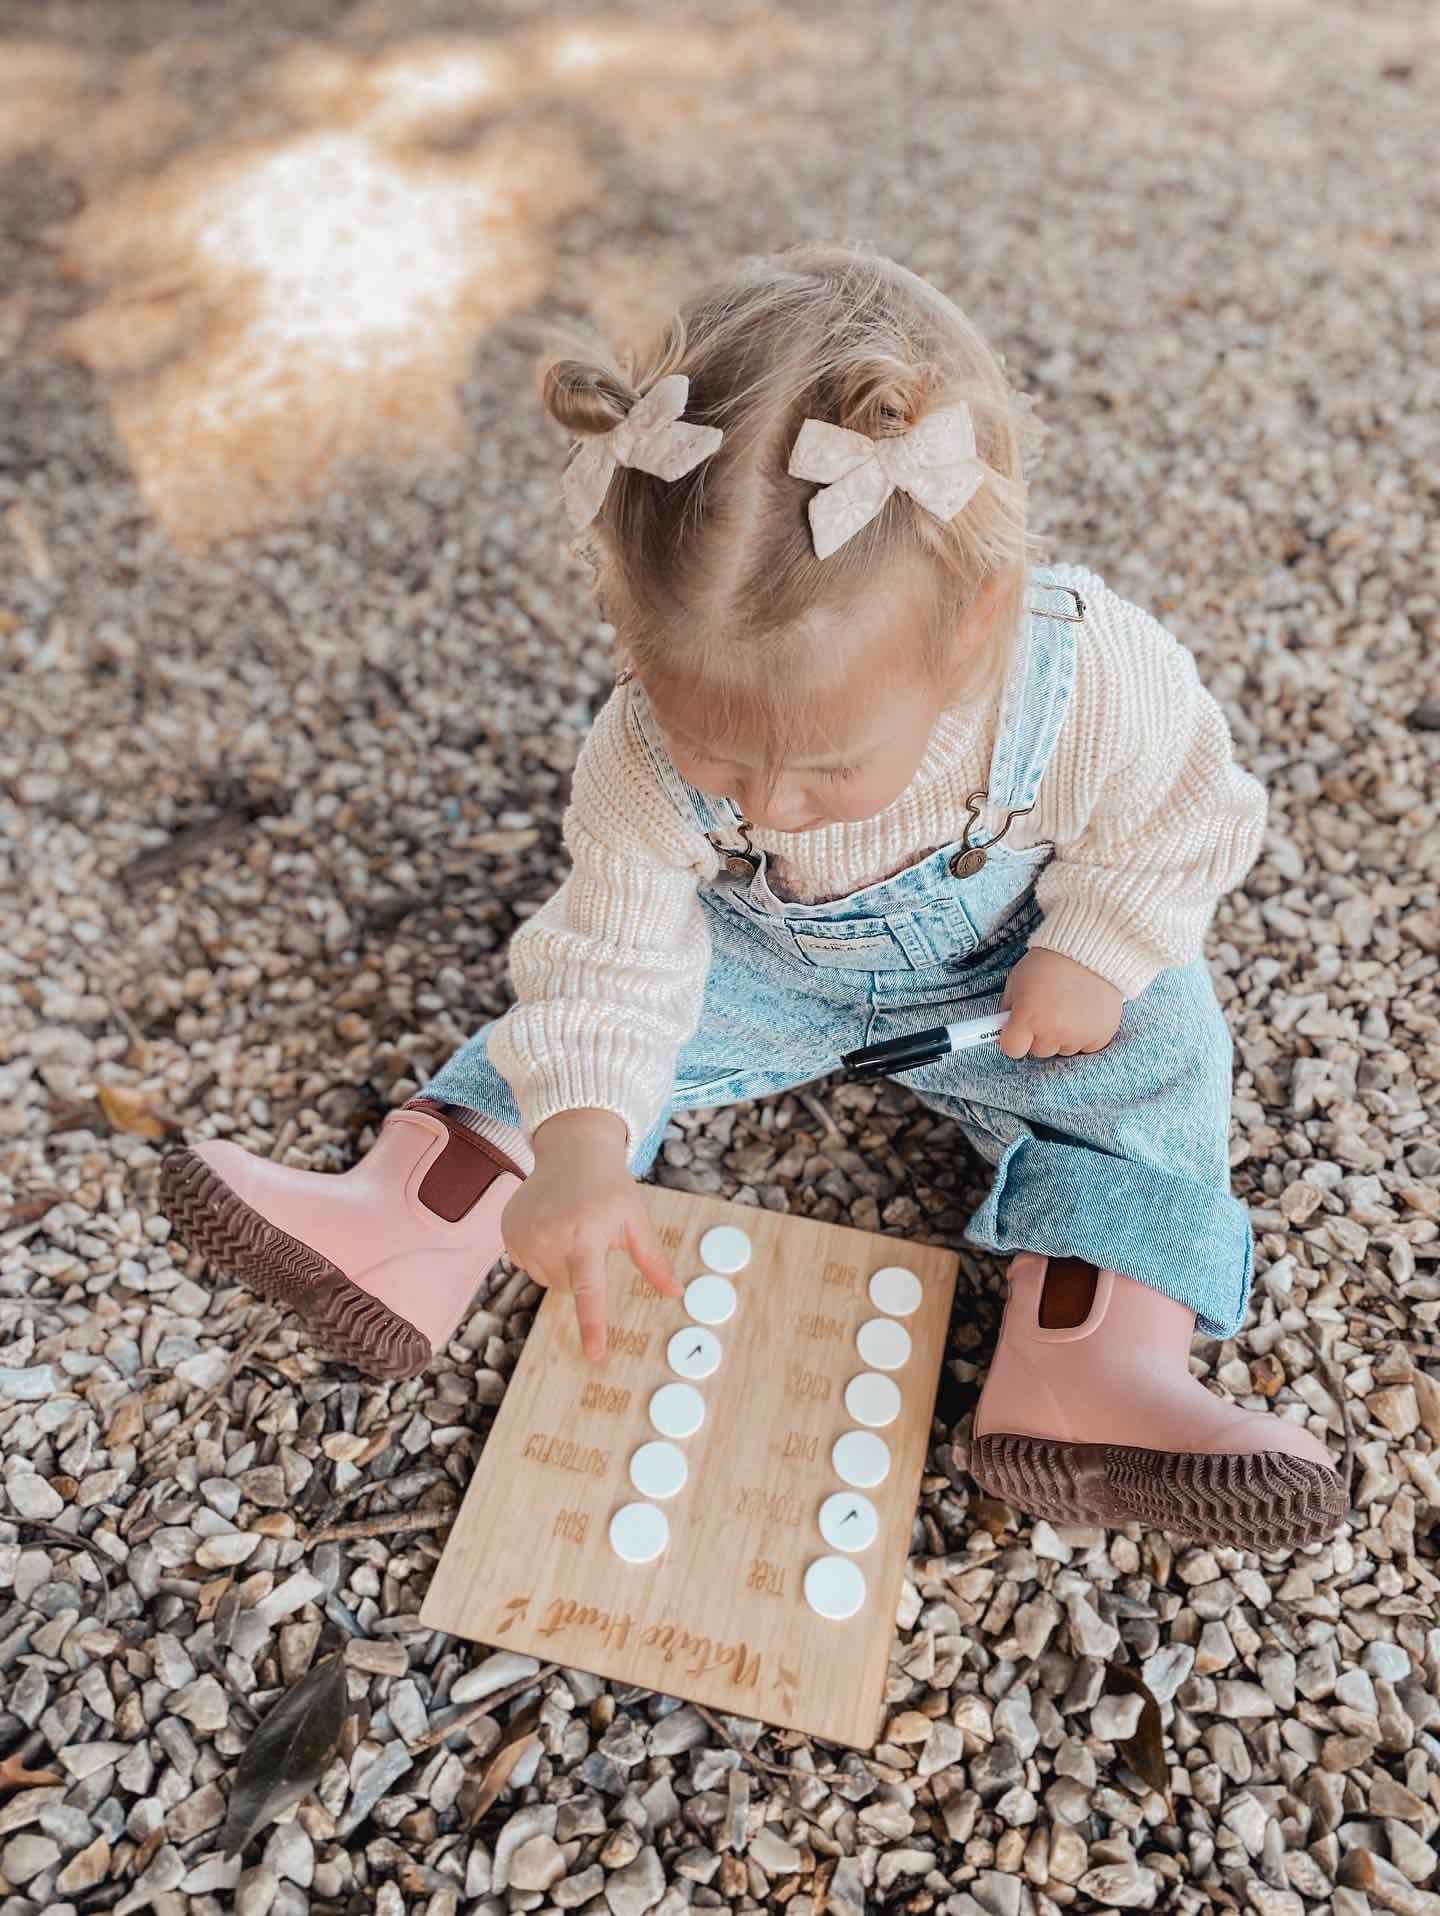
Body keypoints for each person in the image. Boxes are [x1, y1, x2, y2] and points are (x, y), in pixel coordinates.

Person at [161, 242, 1344, 1550]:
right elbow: (614, 957)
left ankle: (1094, 1362)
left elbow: (1191, 814)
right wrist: (586, 1154)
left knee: (1161, 1060)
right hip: (758, 969)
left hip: (1012, 973)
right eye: (725, 756)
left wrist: (1101, 949)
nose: (770, 806)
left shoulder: (1089, 677)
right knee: (554, 1047)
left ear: (976, 624)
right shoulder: (639, 759)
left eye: (828, 765)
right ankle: (412, 1225)